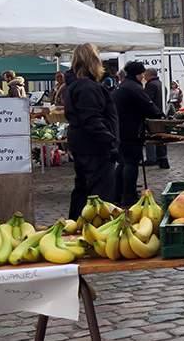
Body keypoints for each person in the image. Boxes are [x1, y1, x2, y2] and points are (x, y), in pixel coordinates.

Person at [62, 43, 118, 219]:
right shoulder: (87, 87)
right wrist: (110, 142)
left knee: (83, 187)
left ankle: (75, 225)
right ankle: (96, 229)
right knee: (98, 192)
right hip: (94, 146)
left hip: (82, 143)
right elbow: (92, 119)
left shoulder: (73, 86)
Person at [112, 60, 164, 207]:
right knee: (131, 164)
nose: (143, 76)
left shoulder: (121, 86)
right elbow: (149, 107)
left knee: (122, 163)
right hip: (130, 131)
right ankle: (128, 195)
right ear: (137, 74)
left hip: (118, 131)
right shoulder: (134, 88)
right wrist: (160, 115)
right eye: (141, 74)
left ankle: (117, 194)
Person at [142, 67, 169, 170]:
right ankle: (162, 159)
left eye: (145, 75)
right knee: (160, 138)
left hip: (152, 114)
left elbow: (147, 100)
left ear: (149, 75)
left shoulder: (151, 85)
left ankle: (152, 158)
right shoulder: (161, 84)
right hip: (160, 112)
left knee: (151, 136)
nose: (144, 77)